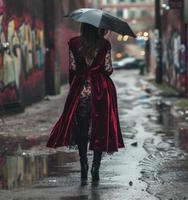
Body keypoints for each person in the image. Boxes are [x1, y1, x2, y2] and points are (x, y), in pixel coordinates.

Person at [47, 23, 124, 184]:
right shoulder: (104, 44)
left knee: (81, 130)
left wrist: (75, 86)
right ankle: (95, 168)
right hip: (100, 90)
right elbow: (108, 69)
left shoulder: (74, 43)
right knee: (100, 128)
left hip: (80, 89)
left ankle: (84, 165)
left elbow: (73, 68)